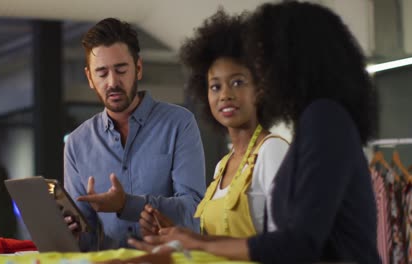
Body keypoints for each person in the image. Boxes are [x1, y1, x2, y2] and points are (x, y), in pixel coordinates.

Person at [129, 2, 381, 263]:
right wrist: (189, 239)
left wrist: (196, 243)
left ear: (293, 60)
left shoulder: (325, 119)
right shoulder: (315, 121)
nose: (263, 70)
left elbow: (299, 243)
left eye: (266, 58)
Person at [138, 10, 288, 238]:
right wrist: (174, 233)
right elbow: (212, 244)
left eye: (237, 82)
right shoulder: (222, 166)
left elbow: (287, 246)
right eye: (215, 86)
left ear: (260, 89)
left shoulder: (272, 151)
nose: (225, 95)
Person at [63, 17, 206, 251]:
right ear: (89, 78)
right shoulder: (77, 143)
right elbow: (86, 239)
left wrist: (127, 205)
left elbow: (193, 212)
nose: (112, 82)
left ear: (138, 68)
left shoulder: (179, 123)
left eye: (121, 70)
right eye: (102, 73)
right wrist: (72, 232)